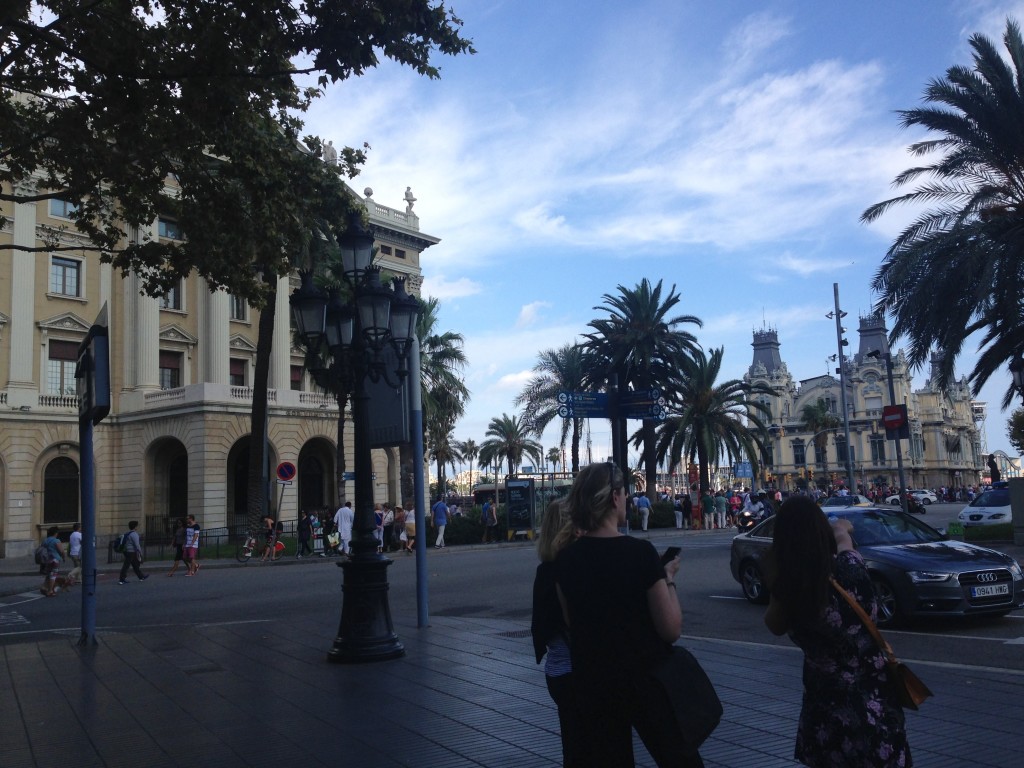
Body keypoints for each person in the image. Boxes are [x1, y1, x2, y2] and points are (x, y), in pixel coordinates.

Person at [554, 462, 701, 768]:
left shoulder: (566, 560)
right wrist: (668, 578)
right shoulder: (640, 554)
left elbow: (571, 623)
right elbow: (670, 628)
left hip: (594, 684)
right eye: (625, 493)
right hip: (646, 681)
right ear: (615, 498)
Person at [764, 497, 912, 768]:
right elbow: (845, 544)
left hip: (824, 707)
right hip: (871, 702)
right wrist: (840, 529)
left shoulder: (789, 587)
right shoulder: (849, 568)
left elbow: (774, 625)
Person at [531, 500, 580, 766]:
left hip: (556, 670)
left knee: (571, 744)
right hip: (576, 671)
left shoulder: (545, 570)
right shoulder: (569, 568)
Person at [40, 526, 65, 597]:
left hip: (47, 560)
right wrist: (63, 557)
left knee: (48, 574)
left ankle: (44, 587)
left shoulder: (45, 540)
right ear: (55, 533)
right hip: (55, 560)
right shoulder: (56, 541)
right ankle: (50, 590)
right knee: (53, 575)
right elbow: (61, 551)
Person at [67, 521, 83, 586]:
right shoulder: (79, 534)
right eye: (80, 527)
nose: (81, 528)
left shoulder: (72, 535)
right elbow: (83, 542)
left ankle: (78, 580)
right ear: (78, 528)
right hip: (78, 552)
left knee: (76, 566)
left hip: (72, 552)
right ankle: (71, 574)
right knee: (80, 567)